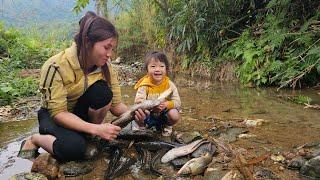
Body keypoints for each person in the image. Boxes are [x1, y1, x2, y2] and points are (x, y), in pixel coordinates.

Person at [17, 11, 147, 162]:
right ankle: (35, 139)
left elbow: (116, 105)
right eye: (106, 47)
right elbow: (58, 113)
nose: (110, 54)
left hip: (80, 114)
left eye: (112, 49)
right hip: (55, 116)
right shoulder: (56, 66)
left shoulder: (106, 67)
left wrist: (135, 114)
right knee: (74, 149)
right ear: (87, 42)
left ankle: (89, 136)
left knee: (103, 92)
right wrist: (97, 129)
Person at [133, 51, 181, 136]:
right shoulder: (144, 85)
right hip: (148, 115)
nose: (157, 69)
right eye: (153, 66)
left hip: (163, 115)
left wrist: (166, 104)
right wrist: (152, 107)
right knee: (138, 112)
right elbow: (138, 103)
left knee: (174, 114)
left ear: (166, 69)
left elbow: (178, 102)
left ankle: (167, 126)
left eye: (161, 66)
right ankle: (141, 127)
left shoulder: (170, 85)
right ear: (147, 70)